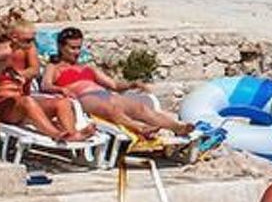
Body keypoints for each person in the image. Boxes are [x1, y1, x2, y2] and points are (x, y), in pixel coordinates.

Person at [45, 27, 218, 150]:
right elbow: (45, 85)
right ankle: (140, 128)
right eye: (72, 48)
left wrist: (131, 84)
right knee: (110, 109)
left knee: (140, 107)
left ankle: (176, 127)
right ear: (61, 47)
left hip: (103, 93)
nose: (76, 52)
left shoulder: (87, 67)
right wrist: (60, 90)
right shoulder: (54, 67)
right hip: (82, 98)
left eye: (78, 47)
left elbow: (113, 85)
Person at [0, 21, 90, 143]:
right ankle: (56, 134)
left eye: (32, 40)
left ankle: (73, 135)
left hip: (22, 102)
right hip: (2, 106)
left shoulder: (27, 49)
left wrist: (19, 75)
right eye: (27, 40)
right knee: (27, 101)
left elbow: (35, 70)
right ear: (13, 37)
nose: (31, 43)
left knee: (62, 102)